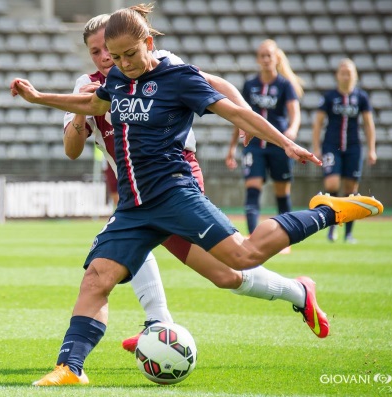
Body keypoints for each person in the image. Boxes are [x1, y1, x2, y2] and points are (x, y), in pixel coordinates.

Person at [10, 6, 383, 386]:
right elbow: (94, 105)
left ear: (149, 43)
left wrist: (286, 143)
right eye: (112, 55)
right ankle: (71, 367)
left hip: (175, 193)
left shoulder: (177, 75)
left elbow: (233, 110)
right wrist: (38, 97)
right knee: (97, 278)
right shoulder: (117, 79)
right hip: (133, 205)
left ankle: (325, 212)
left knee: (243, 256)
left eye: (127, 54)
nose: (119, 62)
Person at [64, 9, 339, 355]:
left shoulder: (160, 62)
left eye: (110, 47)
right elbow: (72, 150)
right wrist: (81, 110)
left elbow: (215, 85)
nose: (106, 57)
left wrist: (242, 118)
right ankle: (297, 293)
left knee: (213, 262)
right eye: (97, 51)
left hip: (175, 174)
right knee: (220, 273)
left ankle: (159, 322)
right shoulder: (87, 86)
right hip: (130, 181)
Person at [225, 39, 303, 254]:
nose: (266, 59)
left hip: (278, 145)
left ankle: (285, 240)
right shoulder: (250, 85)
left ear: (276, 58)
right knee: (252, 188)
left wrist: (292, 131)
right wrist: (232, 147)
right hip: (254, 146)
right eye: (262, 55)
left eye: (269, 55)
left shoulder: (285, 85)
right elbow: (239, 116)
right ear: (258, 59)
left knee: (282, 192)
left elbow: (295, 113)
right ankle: (252, 240)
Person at [312, 58, 377, 243]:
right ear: (337, 75)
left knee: (351, 189)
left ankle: (348, 233)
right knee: (332, 184)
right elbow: (318, 123)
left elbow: (368, 123)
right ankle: (331, 226)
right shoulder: (329, 97)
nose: (345, 75)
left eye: (349, 72)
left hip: (354, 147)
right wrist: (316, 147)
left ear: (354, 76)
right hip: (332, 146)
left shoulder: (361, 97)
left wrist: (372, 149)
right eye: (342, 72)